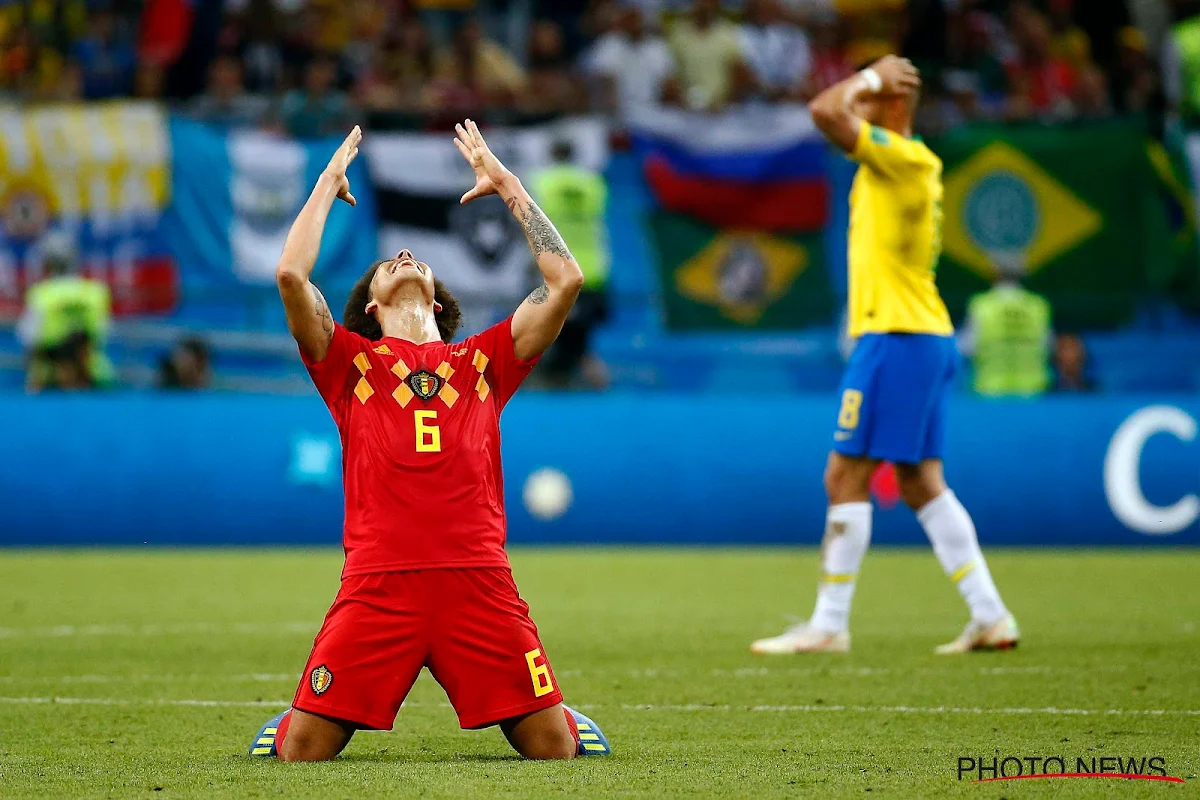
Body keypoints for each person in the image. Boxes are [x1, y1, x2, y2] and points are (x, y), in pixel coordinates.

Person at [248, 121, 611, 761]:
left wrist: (507, 184)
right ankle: (292, 718)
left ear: (441, 305)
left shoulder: (485, 362)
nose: (406, 259)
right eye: (390, 262)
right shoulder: (347, 363)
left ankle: (554, 709)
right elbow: (289, 277)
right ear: (370, 307)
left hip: (478, 582)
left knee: (556, 751)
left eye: (415, 260)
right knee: (300, 753)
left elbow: (566, 283)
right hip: (377, 586)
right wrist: (326, 187)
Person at [750, 56, 1019, 656]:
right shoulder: (895, 165)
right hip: (919, 336)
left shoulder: (902, 157)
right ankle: (991, 615)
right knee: (921, 483)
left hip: (896, 338)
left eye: (866, 100)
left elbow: (824, 110)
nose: (853, 107)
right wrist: (871, 82)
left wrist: (869, 78)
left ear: (892, 106)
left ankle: (829, 624)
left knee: (845, 476)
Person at [531, 139, 610, 389]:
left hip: (557, 270)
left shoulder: (542, 182)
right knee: (577, 341)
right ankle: (595, 388)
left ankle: (560, 390)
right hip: (593, 270)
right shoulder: (593, 184)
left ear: (551, 153)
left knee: (551, 339)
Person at [18, 232, 115, 391]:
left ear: (47, 263)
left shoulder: (41, 294)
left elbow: (27, 337)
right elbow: (105, 332)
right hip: (93, 372)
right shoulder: (95, 292)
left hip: (49, 375)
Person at [960, 260, 1052, 397]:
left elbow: (967, 348)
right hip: (1032, 391)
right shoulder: (1038, 305)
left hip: (990, 389)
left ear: (994, 275)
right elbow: (1048, 346)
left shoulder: (981, 305)